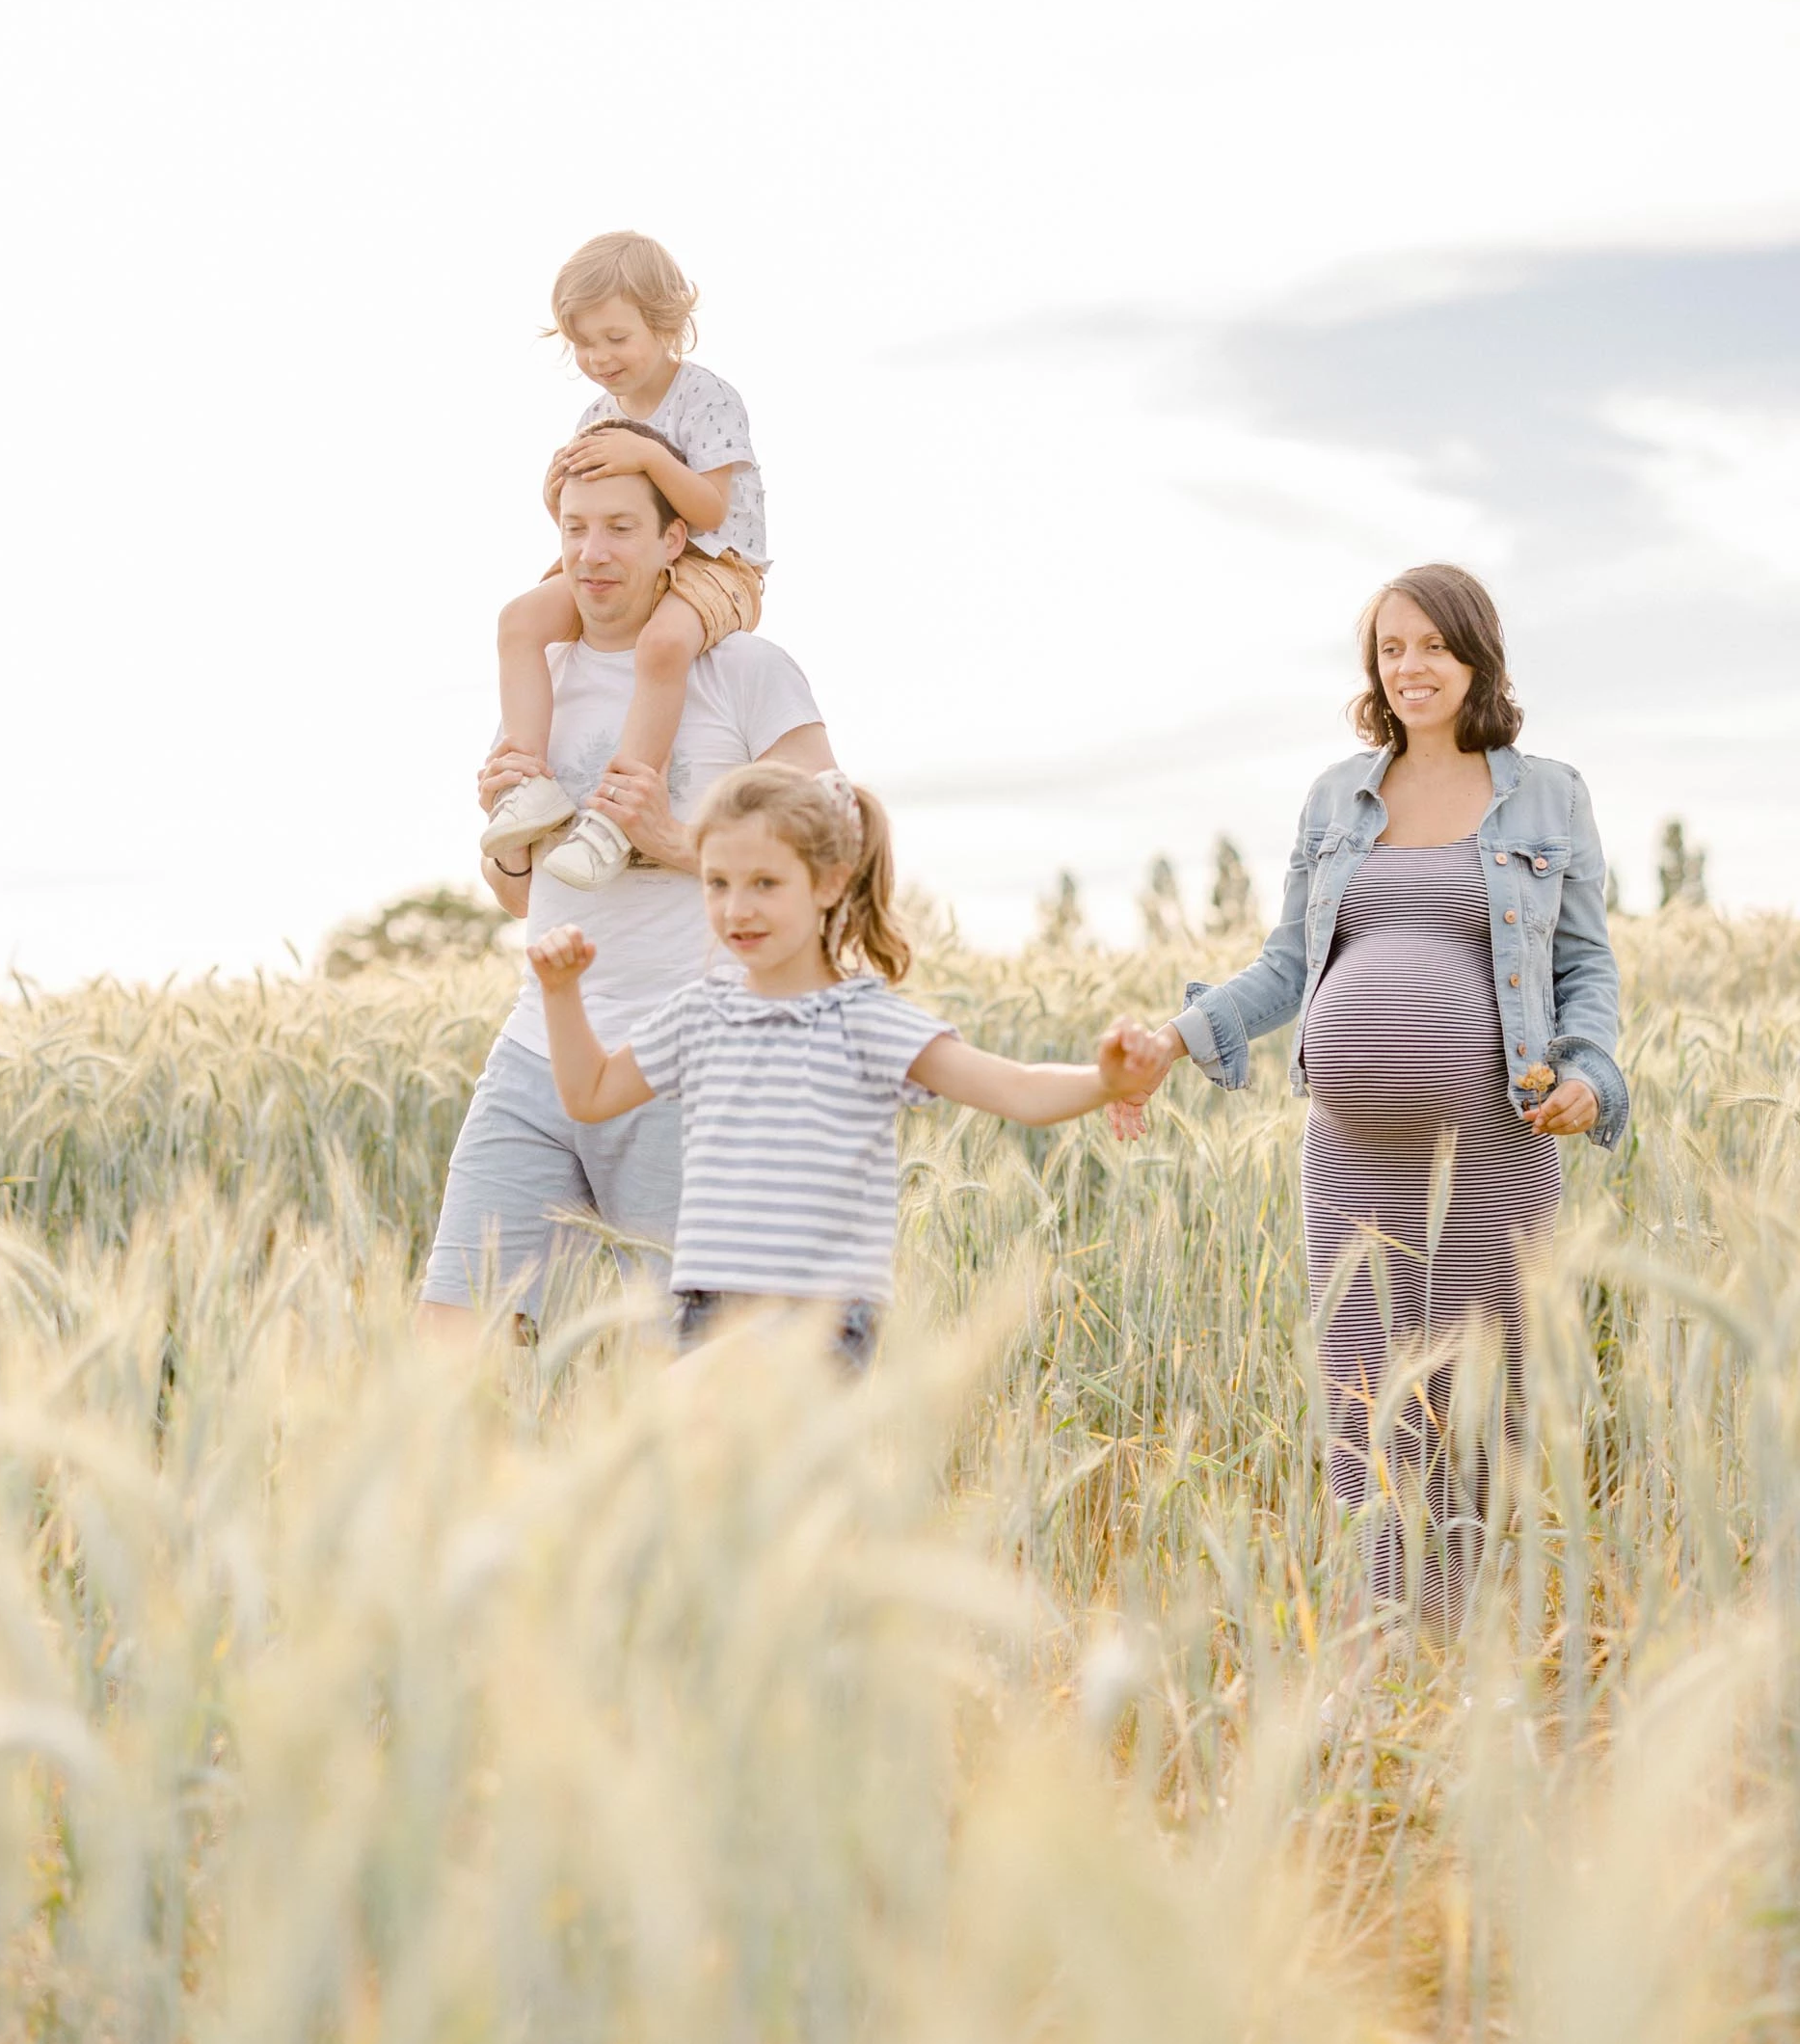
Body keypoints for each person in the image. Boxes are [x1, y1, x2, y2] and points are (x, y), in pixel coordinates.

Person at [1139, 564, 1629, 1622]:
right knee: (1364, 1402)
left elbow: (1585, 966)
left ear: (1477, 657)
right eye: (1392, 649)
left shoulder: (1549, 794)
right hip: (1351, 1156)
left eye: (1433, 648)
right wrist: (1179, 1037)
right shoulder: (1336, 797)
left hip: (1497, 1146)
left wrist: (1590, 1075)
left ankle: (1461, 1650)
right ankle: (1377, 1652)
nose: (1411, 668)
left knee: (1479, 1399)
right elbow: (1285, 965)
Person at [526, 764, 1169, 1366]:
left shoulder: (862, 1021)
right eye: (717, 883)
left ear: (829, 882)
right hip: (707, 1312)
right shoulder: (697, 1017)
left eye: (765, 883)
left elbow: (1018, 1090)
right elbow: (592, 1094)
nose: (736, 909)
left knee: (663, 1428)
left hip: (819, 1322)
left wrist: (1107, 1081)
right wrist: (560, 993)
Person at [416, 445, 831, 1339]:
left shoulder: (746, 670)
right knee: (452, 1339)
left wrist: (678, 843)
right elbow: (515, 898)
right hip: (540, 1052)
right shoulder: (544, 678)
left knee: (691, 1362)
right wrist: (510, 834)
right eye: (575, 529)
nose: (592, 553)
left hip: (689, 1063)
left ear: (674, 540)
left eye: (618, 529)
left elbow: (839, 840)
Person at [481, 229, 769, 892]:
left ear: (666, 325)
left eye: (615, 338)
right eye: (583, 342)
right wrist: (556, 490)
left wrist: (649, 458)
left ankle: (618, 814)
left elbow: (708, 510)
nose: (598, 357)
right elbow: (584, 520)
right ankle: (528, 782)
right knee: (520, 620)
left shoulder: (707, 398)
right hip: (632, 560)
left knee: (664, 644)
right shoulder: (597, 412)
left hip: (717, 564)